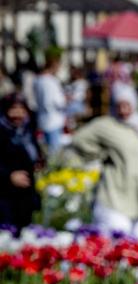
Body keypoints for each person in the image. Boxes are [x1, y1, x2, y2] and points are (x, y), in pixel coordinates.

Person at [63, 83, 138, 237]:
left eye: (127, 105)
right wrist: (100, 153)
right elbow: (79, 140)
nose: (123, 110)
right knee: (116, 239)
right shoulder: (106, 125)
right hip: (116, 193)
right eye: (119, 105)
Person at [0, 92, 43, 232]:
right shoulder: (2, 130)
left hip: (26, 195)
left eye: (22, 109)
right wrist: (9, 176)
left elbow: (34, 152)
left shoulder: (27, 129)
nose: (18, 114)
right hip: (5, 195)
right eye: (13, 109)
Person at [33, 49, 66, 152]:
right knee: (54, 156)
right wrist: (66, 100)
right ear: (54, 65)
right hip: (53, 120)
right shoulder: (51, 81)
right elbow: (58, 102)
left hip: (42, 119)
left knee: (46, 151)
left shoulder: (38, 80)